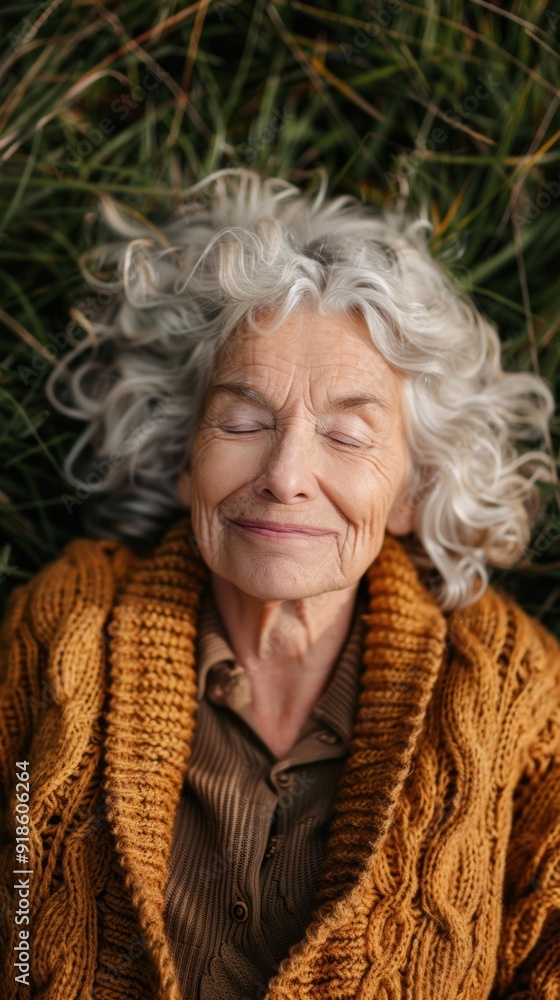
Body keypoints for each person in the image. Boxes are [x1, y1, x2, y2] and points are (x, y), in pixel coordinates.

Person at [1, 168, 559, 1000]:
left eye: (348, 434)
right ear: (182, 458)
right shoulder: (62, 629)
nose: (286, 475)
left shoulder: (513, 688)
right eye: (243, 422)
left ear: (412, 492)